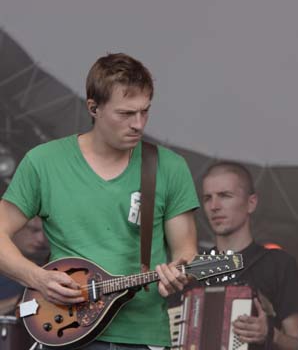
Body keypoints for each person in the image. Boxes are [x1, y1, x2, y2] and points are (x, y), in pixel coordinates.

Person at [0, 53, 200, 349]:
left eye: (145, 112)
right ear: (93, 107)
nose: (139, 124)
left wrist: (179, 273)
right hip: (65, 331)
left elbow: (187, 253)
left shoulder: (169, 167)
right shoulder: (44, 162)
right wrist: (38, 278)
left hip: (143, 337)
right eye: (126, 113)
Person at [201, 162, 298, 350]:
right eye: (207, 198)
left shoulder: (278, 263)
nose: (214, 206)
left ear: (251, 203)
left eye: (225, 196)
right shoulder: (196, 267)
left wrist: (271, 334)